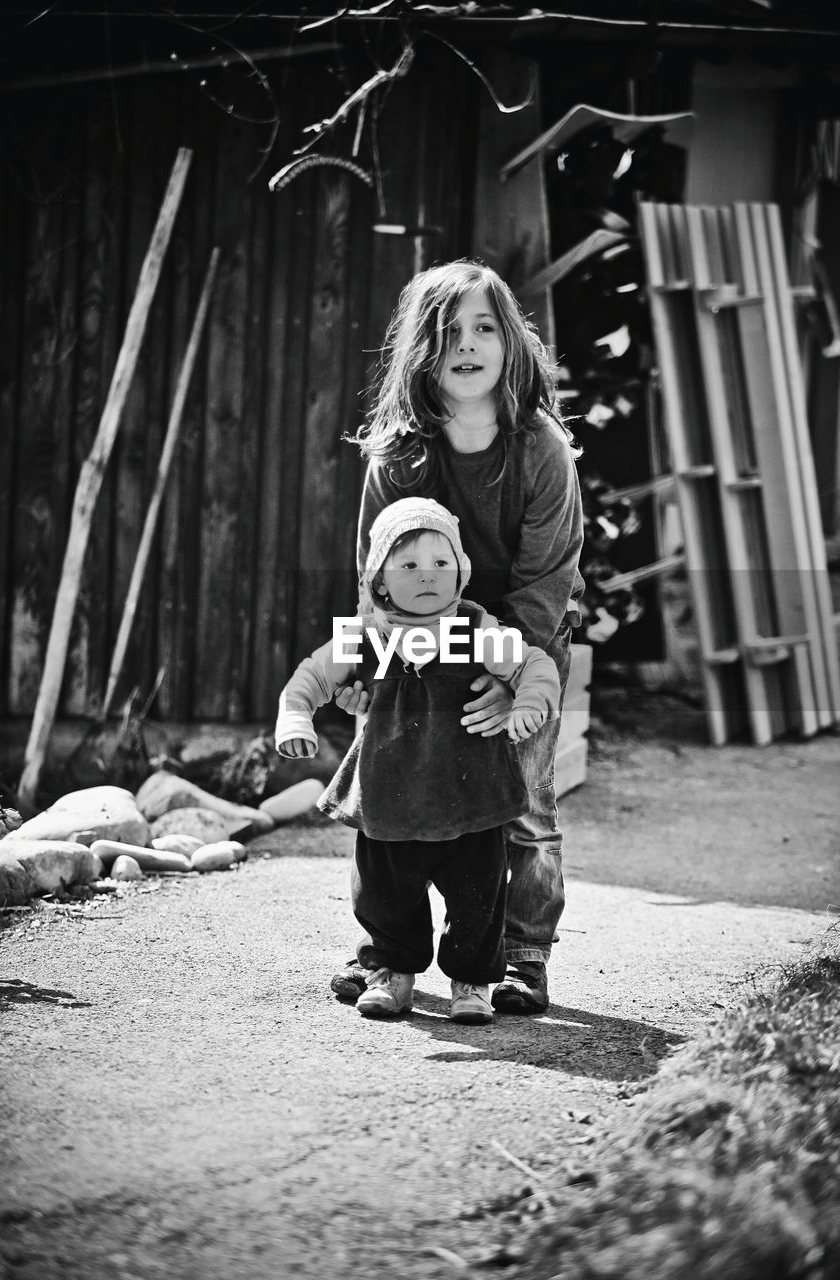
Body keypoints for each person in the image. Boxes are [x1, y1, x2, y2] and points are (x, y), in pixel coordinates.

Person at [332, 259, 584, 1014]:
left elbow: (545, 579)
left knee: (524, 808)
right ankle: (387, 952)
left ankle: (522, 955)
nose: (465, 344)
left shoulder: (540, 449)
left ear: (510, 343)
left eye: (482, 327)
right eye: (447, 332)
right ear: (420, 351)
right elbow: (373, 571)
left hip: (524, 649)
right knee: (398, 796)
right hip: (417, 655)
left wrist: (506, 673)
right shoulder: (398, 456)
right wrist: (362, 662)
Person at [275, 497, 562, 1024]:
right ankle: (391, 974)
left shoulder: (477, 631)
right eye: (408, 565)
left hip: (473, 796)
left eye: (441, 563)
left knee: (478, 898)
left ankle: (472, 983)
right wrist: (296, 715)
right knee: (384, 895)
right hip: (388, 796)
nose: (427, 575)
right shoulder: (363, 634)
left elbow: (535, 665)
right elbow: (312, 675)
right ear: (379, 580)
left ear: (461, 574)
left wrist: (529, 702)